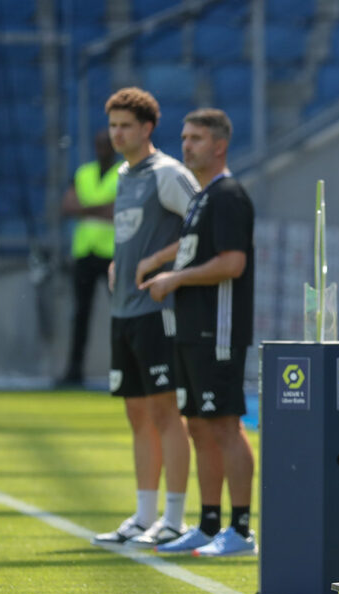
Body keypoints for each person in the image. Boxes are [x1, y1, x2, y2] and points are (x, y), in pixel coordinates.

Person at [138, 109, 258, 557]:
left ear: (219, 145)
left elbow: (232, 264)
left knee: (225, 424)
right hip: (192, 330)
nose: (186, 145)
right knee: (198, 428)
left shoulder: (228, 194)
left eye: (196, 138)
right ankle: (209, 524)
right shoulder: (203, 198)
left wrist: (175, 279)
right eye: (184, 137)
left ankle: (241, 529)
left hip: (218, 329)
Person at [91, 88, 196, 549]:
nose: (117, 133)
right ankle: (143, 514)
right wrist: (122, 261)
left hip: (159, 311)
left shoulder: (168, 173)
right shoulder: (122, 174)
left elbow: (201, 225)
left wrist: (157, 262)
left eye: (125, 125)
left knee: (166, 412)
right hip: (123, 311)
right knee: (138, 416)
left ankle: (174, 518)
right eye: (113, 124)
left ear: (147, 128)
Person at [59, 130, 121, 386]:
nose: (102, 149)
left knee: (120, 315)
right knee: (80, 315)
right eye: (98, 145)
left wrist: (85, 210)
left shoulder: (124, 174)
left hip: (111, 255)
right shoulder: (84, 173)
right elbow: (67, 207)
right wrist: (101, 208)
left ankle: (123, 370)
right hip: (85, 253)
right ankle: (74, 372)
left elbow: (118, 211)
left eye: (106, 145)